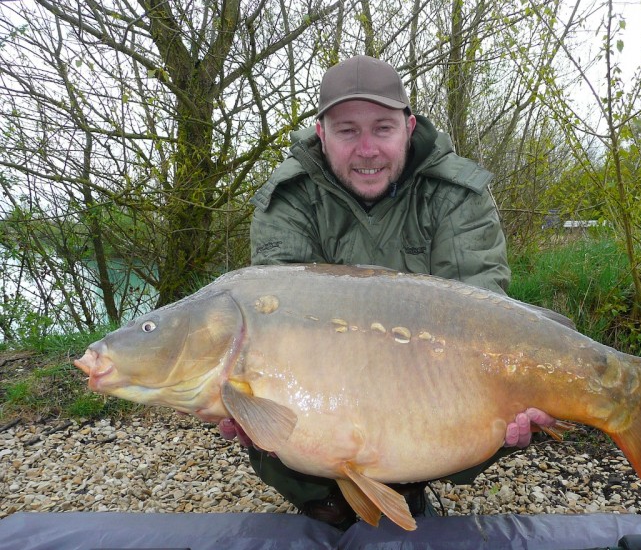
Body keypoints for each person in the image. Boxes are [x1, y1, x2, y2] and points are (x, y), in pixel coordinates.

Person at [220, 55, 557, 529]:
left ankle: (411, 484)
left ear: (408, 126)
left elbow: (483, 313)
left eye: (382, 128)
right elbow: (276, 320)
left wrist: (516, 386)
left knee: (510, 391)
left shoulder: (456, 193)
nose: (367, 149)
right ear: (321, 134)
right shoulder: (290, 197)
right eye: (347, 131)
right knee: (259, 398)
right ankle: (327, 498)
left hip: (438, 376)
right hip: (330, 379)